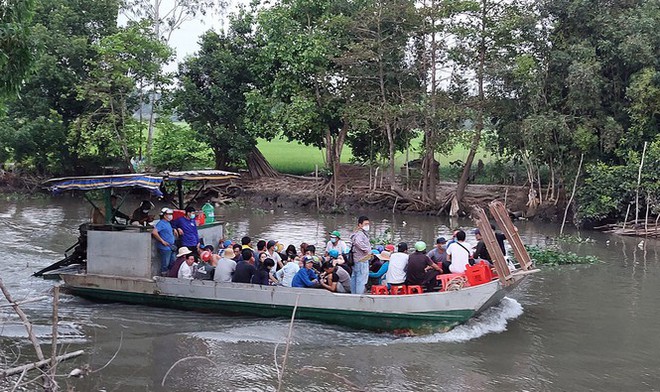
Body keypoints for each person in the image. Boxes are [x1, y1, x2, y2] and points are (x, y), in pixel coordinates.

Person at [152, 208, 178, 276]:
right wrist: (162, 241)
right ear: (164, 215)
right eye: (169, 214)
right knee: (165, 264)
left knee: (172, 262)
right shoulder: (161, 223)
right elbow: (154, 232)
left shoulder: (168, 223)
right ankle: (164, 276)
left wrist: (173, 229)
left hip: (171, 246)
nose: (170, 216)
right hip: (165, 247)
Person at [349, 216, 371, 295]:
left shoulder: (356, 233)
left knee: (355, 278)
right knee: (361, 280)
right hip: (362, 259)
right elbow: (358, 242)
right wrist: (367, 250)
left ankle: (353, 295)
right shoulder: (360, 234)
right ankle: (358, 297)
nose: (367, 226)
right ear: (360, 225)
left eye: (368, 224)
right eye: (365, 224)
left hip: (357, 259)